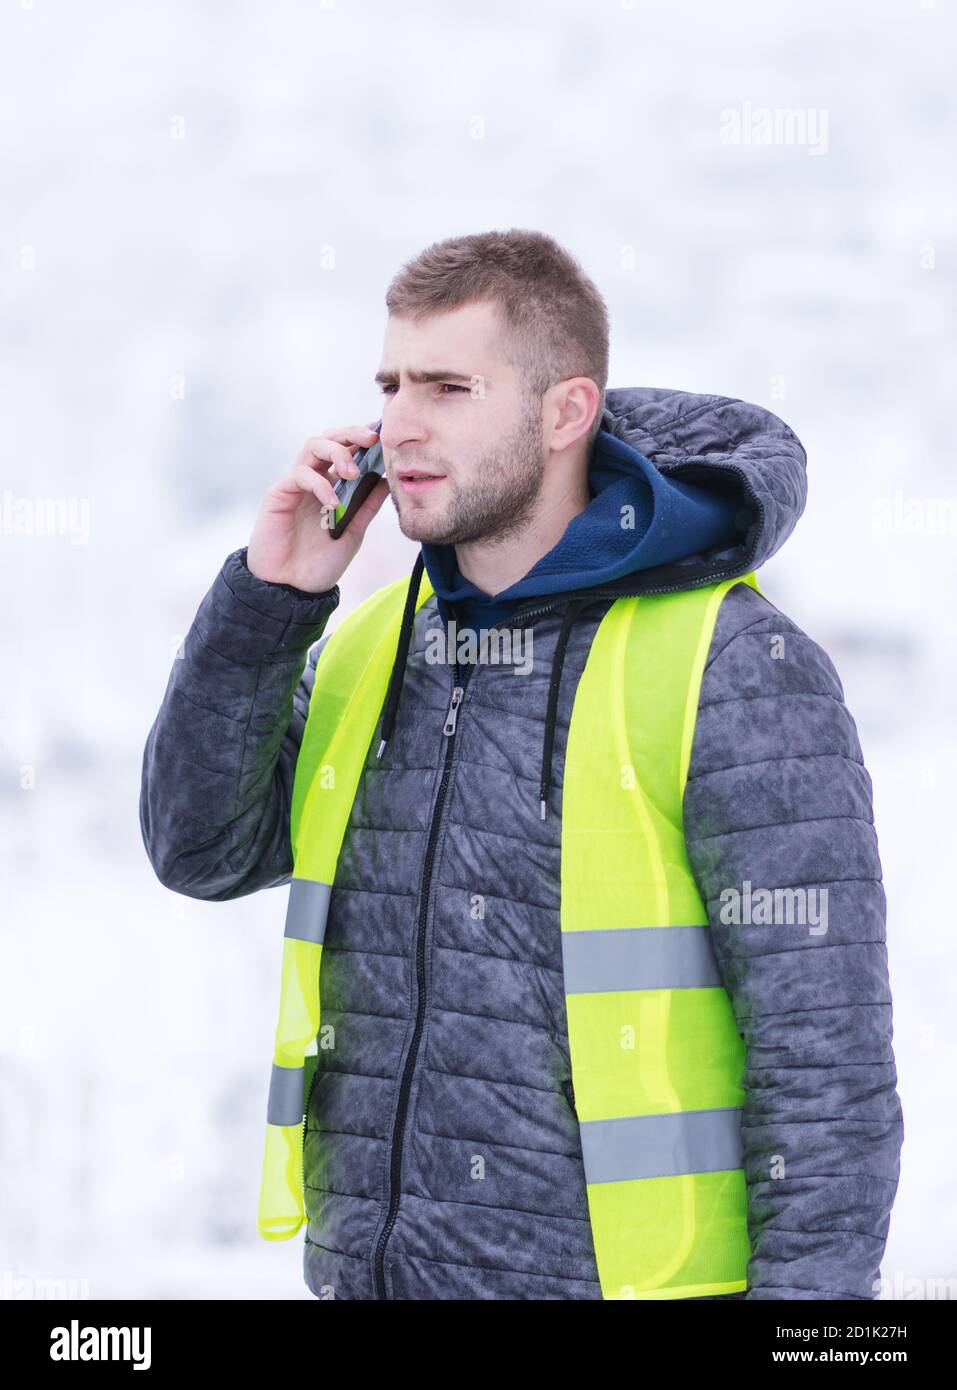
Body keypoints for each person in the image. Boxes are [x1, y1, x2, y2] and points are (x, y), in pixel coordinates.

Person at [140, 228, 903, 1301]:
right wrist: (271, 603)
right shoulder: (372, 646)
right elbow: (198, 848)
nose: (400, 422)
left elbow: (825, 1072)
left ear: (563, 414)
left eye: (450, 386)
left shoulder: (729, 664)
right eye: (392, 383)